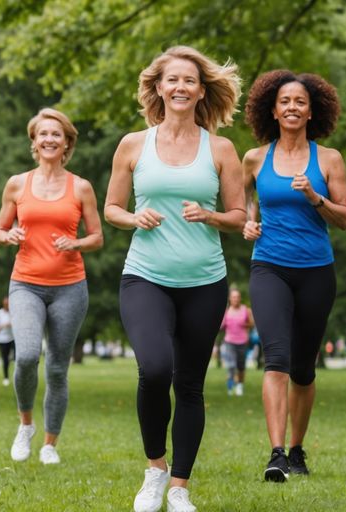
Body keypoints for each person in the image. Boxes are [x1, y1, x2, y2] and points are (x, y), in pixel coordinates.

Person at [105, 46, 245, 512]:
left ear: (201, 90)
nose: (181, 87)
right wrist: (133, 218)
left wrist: (210, 215)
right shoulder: (133, 144)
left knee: (189, 384)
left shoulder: (221, 149)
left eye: (189, 80)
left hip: (204, 281)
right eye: (172, 80)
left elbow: (239, 215)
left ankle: (180, 488)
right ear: (158, 88)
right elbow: (111, 209)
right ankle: (155, 471)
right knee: (155, 369)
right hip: (145, 276)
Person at [241, 69, 346, 482]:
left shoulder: (329, 159)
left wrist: (314, 196)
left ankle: (298, 448)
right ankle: (276, 453)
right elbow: (244, 206)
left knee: (304, 369)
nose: (292, 107)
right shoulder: (254, 158)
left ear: (311, 111)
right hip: (269, 266)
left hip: (316, 271)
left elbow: (343, 218)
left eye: (299, 102)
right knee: (277, 361)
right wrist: (249, 224)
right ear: (272, 109)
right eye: (285, 101)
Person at [0, 108, 102, 466]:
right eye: (43, 134)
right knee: (25, 356)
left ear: (67, 142)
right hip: (26, 283)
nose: (50, 139)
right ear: (34, 142)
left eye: (57, 134)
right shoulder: (17, 184)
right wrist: (8, 235)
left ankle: (50, 444)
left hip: (70, 287)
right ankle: (26, 425)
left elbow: (97, 237)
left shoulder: (81, 187)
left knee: (57, 368)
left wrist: (76, 244)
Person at [220, 287, 253, 396]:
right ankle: (230, 388)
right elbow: (222, 326)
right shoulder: (226, 312)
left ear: (240, 299)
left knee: (241, 366)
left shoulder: (245, 310)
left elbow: (251, 324)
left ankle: (240, 387)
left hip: (242, 342)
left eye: (238, 297)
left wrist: (245, 325)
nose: (236, 299)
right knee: (230, 366)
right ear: (230, 299)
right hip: (229, 341)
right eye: (234, 297)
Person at [0, 296, 14, 386]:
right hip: (3, 339)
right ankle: (6, 378)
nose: (7, 305)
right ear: (3, 304)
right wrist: (3, 326)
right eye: (6, 304)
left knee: (17, 358)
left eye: (8, 304)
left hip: (13, 338)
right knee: (5, 360)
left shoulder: (14, 312)